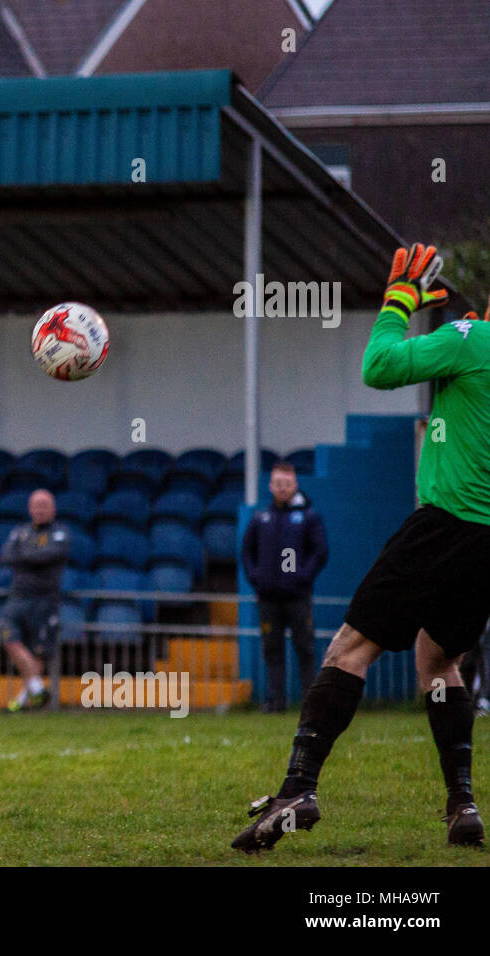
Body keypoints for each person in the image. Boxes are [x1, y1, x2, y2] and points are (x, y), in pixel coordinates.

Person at [233, 244, 490, 852]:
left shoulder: (473, 338)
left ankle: (299, 788)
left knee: (349, 649)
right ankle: (463, 802)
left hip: (444, 523)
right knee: (439, 661)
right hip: (486, 543)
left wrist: (399, 301)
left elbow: (379, 367)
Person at [240, 461, 329, 712]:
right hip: (268, 597)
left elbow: (320, 552)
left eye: (287, 484)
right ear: (270, 486)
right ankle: (275, 702)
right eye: (278, 484)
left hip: (298, 597)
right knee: (272, 650)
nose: (282, 488)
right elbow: (247, 552)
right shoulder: (261, 518)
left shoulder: (309, 517)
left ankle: (311, 704)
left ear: (295, 485)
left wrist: (303, 576)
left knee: (305, 648)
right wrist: (256, 577)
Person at [0, 488, 69, 712]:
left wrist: (25, 555)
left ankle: (21, 701)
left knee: (39, 651)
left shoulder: (60, 533)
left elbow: (50, 555)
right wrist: (31, 557)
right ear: (30, 509)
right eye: (36, 505)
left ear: (53, 509)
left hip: (45, 599)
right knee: (10, 639)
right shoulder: (20, 531)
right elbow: (5, 556)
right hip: (18, 597)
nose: (40, 510)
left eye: (44, 505)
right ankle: (38, 689)